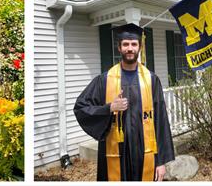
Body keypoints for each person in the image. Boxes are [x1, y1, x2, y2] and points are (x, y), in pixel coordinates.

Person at [73, 23, 175, 181]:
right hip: (115, 151)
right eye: (125, 44)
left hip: (144, 152)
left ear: (139, 47)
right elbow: (81, 108)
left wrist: (160, 161)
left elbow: (160, 121)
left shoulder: (151, 80)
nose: (130, 48)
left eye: (134, 44)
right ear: (119, 48)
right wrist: (109, 108)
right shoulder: (105, 80)